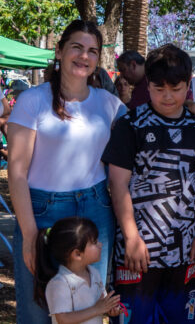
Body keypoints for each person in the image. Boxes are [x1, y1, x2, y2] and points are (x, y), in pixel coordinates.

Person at [8, 20, 127, 323]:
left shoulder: (108, 104)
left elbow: (150, 120)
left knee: (88, 309)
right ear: (59, 51)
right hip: (42, 212)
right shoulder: (31, 101)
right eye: (76, 47)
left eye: (92, 51)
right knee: (38, 313)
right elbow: (17, 172)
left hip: (95, 211)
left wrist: (190, 108)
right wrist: (30, 234)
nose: (84, 56)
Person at [104, 44, 195, 323]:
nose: (168, 97)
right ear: (147, 84)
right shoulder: (130, 125)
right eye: (159, 88)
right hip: (137, 253)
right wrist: (131, 237)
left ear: (189, 83)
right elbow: (118, 185)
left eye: (176, 88)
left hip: (186, 250)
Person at [34, 217, 122, 324]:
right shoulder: (59, 283)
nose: (100, 244)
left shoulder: (94, 273)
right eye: (94, 242)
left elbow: (100, 304)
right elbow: (63, 319)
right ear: (77, 254)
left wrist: (109, 309)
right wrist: (97, 309)